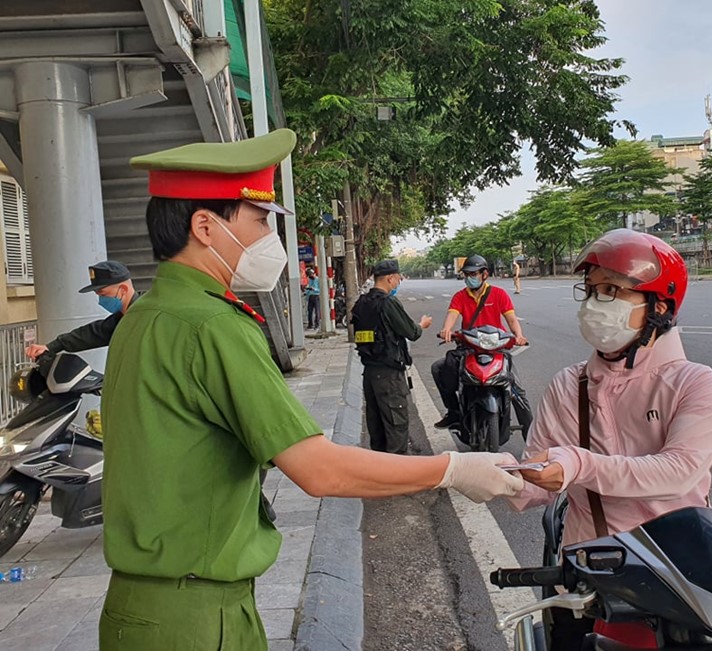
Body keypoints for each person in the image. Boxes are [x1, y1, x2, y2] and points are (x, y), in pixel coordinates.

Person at [98, 129, 523, 650]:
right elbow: (319, 469)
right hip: (196, 617)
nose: (268, 239)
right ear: (206, 227)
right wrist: (453, 470)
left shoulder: (145, 313)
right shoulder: (210, 325)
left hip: (145, 609)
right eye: (258, 221)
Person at [505, 229, 712, 649]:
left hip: (681, 573)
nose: (594, 305)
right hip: (592, 574)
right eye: (590, 291)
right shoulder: (571, 384)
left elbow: (679, 471)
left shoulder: (695, 383)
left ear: (659, 305)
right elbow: (537, 475)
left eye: (610, 290)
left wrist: (577, 463)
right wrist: (488, 474)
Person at [431, 254, 533, 437]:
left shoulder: (499, 294)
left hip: (497, 349)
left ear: (484, 274)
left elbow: (511, 319)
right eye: (467, 274)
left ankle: (532, 435)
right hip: (469, 348)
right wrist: (446, 330)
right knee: (439, 369)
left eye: (473, 274)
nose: (469, 278)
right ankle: (453, 412)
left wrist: (519, 335)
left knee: (516, 389)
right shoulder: (460, 297)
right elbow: (452, 316)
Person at [351, 258, 433, 454]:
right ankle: (398, 479)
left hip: (370, 374)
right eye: (398, 279)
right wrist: (422, 325)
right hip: (389, 376)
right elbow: (411, 332)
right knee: (396, 430)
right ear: (389, 278)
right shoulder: (388, 303)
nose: (398, 283)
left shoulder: (362, 303)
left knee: (377, 430)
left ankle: (380, 474)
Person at [24, 260, 138, 360]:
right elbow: (92, 333)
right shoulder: (122, 318)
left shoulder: (145, 315)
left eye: (103, 294)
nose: (100, 300)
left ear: (123, 290)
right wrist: (50, 347)